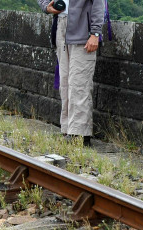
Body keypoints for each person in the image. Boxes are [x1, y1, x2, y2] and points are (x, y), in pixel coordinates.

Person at [38, 0, 104, 147]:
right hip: (60, 27)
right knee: (65, 83)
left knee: (79, 83)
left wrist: (95, 32)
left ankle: (80, 134)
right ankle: (68, 129)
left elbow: (99, 3)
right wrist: (46, 6)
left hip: (83, 31)